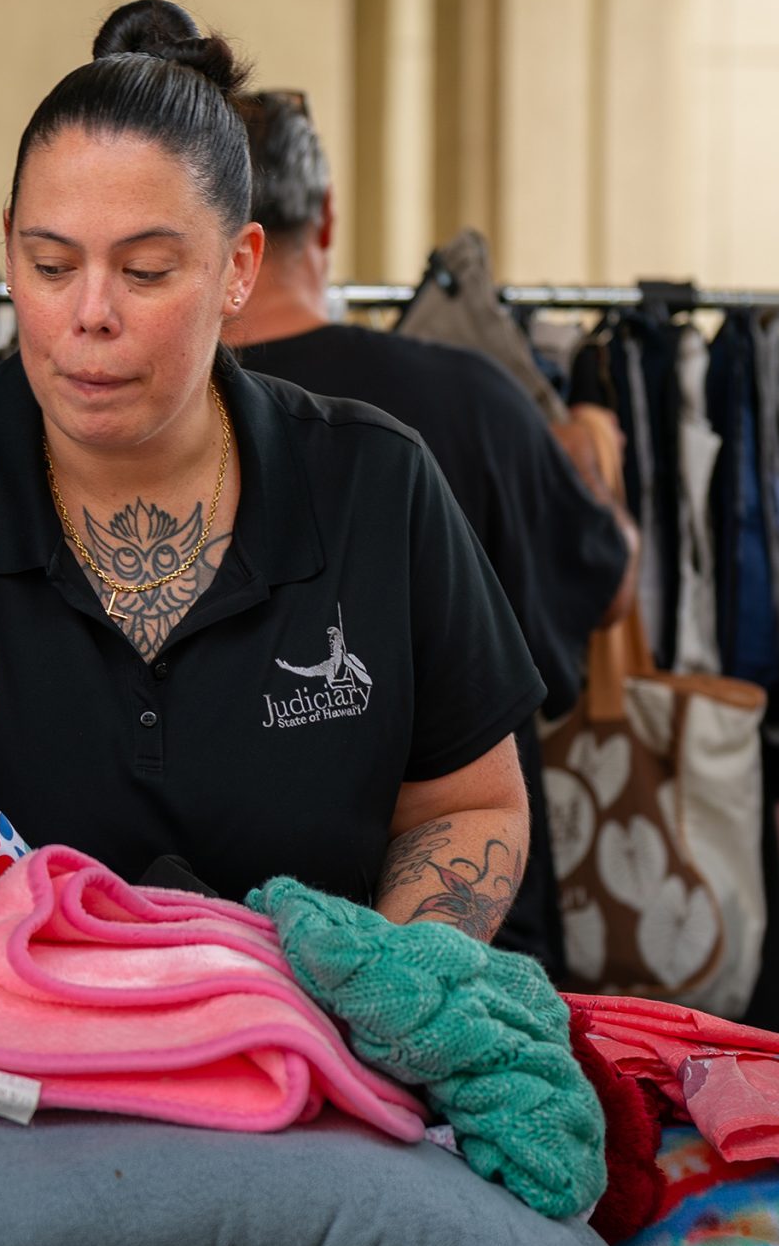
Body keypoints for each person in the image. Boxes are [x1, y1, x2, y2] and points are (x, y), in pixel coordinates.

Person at [0, 0, 543, 935]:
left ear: (238, 267)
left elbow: (470, 804)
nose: (91, 312)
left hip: (299, 1055)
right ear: (8, 248)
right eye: (51, 266)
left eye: (145, 272)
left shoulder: (377, 485)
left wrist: (382, 989)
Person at [224, 86, 634, 977]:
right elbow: (610, 584)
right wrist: (596, 457)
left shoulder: (119, 431)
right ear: (326, 217)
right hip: (469, 952)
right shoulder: (475, 399)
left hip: (218, 964)